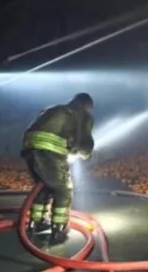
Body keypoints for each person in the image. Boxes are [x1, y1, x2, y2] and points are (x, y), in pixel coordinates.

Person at [21, 92, 95, 243]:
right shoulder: (82, 114)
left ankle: (36, 222)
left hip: (29, 148)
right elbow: (85, 142)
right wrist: (85, 154)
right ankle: (59, 228)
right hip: (50, 151)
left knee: (44, 186)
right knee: (63, 190)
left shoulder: (54, 109)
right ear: (85, 105)